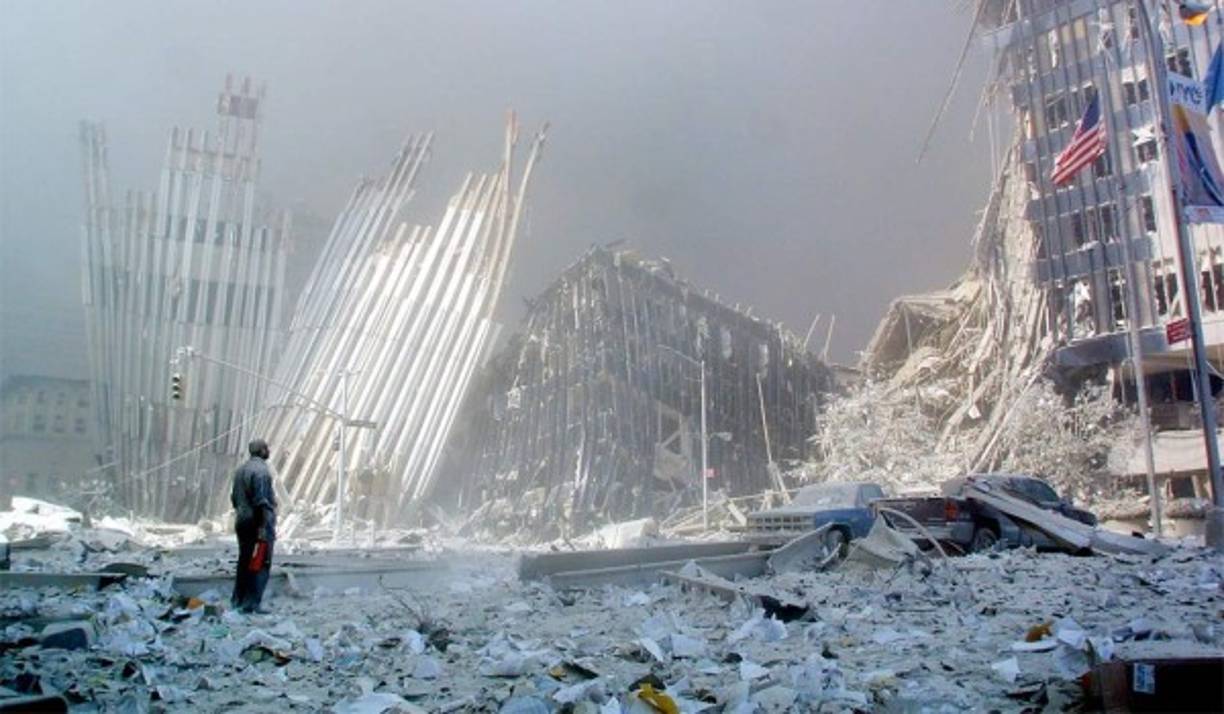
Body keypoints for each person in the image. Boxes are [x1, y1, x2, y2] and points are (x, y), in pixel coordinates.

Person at [230, 438, 277, 613]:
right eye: (267, 448)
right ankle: (252, 603)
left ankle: (237, 600)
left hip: (241, 520)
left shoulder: (240, 470)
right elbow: (261, 502)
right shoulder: (262, 472)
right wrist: (263, 527)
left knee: (244, 561)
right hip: (258, 523)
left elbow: (234, 498)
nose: (269, 451)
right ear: (263, 451)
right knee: (260, 562)